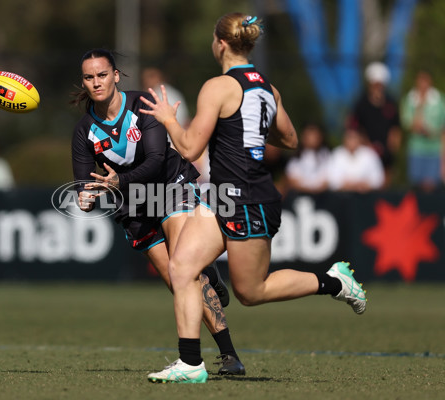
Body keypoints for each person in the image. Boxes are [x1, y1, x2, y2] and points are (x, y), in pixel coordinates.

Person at [140, 13, 366, 384]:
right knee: (181, 268)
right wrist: (251, 134)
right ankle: (190, 363)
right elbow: (290, 139)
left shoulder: (216, 87)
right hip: (226, 196)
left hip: (248, 199)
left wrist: (167, 118)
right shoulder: (267, 88)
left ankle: (334, 281)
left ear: (221, 43)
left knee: (251, 291)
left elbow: (190, 146)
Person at [71, 48, 245, 376]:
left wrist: (117, 181)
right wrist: (86, 197)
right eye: (89, 77)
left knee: (184, 271)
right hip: (132, 205)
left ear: (116, 75)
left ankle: (229, 356)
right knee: (173, 279)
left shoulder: (141, 105)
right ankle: (208, 274)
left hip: (168, 186)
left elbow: (154, 161)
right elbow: (84, 183)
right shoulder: (84, 131)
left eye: (102, 75)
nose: (96, 82)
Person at [349, 61, 401, 187]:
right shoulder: (361, 104)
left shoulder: (390, 103)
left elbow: (396, 127)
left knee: (385, 183)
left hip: (385, 153)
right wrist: (366, 145)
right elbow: (354, 127)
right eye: (375, 84)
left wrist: (393, 146)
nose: (378, 87)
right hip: (365, 152)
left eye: (380, 84)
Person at [400, 69, 445, 192]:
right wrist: (420, 105)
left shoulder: (440, 100)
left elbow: (442, 130)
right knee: (416, 185)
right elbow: (408, 124)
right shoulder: (410, 99)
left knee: (431, 186)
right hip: (416, 149)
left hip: (434, 150)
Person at [327, 126, 385, 192]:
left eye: (354, 138)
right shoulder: (336, 154)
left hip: (366, 197)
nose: (352, 141)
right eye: (349, 137)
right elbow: (331, 180)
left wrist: (365, 184)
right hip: (341, 197)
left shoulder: (370, 155)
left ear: (359, 138)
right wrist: (348, 185)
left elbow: (378, 179)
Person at [285, 122, 331, 194]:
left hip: (322, 197)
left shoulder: (326, 155)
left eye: (315, 136)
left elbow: (329, 179)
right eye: (309, 136)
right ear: (303, 138)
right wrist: (310, 190)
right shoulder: (296, 157)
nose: (313, 139)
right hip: (300, 196)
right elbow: (292, 180)